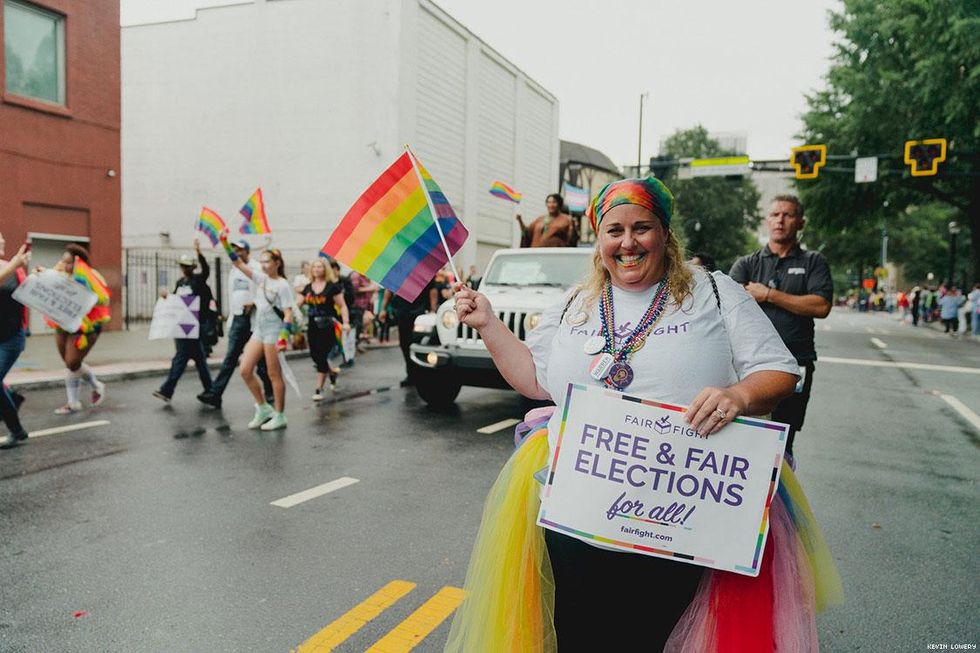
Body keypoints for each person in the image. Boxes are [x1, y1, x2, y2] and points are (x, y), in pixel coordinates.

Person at [445, 177, 841, 651]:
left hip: (684, 514)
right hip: (579, 510)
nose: (628, 243)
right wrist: (488, 324)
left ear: (665, 233)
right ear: (599, 238)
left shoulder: (714, 292)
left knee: (659, 635)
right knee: (577, 633)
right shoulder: (574, 302)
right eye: (614, 230)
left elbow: (779, 371)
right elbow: (535, 380)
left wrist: (738, 396)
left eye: (642, 228)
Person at [729, 194, 833, 458]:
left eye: (787, 215)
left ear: (800, 222)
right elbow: (728, 306)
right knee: (741, 434)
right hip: (748, 365)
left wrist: (768, 295)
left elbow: (821, 306)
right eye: (775, 214)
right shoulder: (747, 263)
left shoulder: (814, 262)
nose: (780, 220)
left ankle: (778, 485)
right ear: (767, 220)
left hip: (796, 363)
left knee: (783, 440)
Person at [218, 230, 294, 430]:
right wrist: (224, 242)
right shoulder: (261, 279)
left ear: (277, 263)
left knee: (273, 374)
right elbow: (238, 263)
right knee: (245, 370)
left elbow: (288, 313)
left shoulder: (282, 285)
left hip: (273, 331)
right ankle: (263, 407)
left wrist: (283, 337)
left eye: (267, 261)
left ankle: (280, 414)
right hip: (258, 329)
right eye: (261, 262)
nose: (263, 265)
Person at [197, 239, 273, 409]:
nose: (237, 253)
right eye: (234, 250)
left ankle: (269, 391)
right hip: (238, 319)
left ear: (247, 251)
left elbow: (267, 290)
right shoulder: (233, 270)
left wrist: (254, 303)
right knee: (230, 358)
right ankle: (215, 394)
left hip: (254, 320)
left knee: (260, 362)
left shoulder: (256, 267)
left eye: (240, 250)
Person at [42, 244, 111, 415]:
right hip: (62, 325)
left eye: (69, 262)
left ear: (78, 262)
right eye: (63, 261)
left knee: (72, 363)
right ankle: (95, 386)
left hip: (86, 328)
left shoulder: (91, 275)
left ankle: (74, 402)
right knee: (71, 364)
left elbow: (103, 298)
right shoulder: (59, 274)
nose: (66, 266)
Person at [153, 241, 214, 403]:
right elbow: (175, 301)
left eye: (187, 266)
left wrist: (199, 253)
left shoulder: (198, 281)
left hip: (193, 326)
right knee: (199, 360)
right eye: (183, 266)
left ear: (193, 267)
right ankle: (211, 389)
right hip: (181, 327)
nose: (185, 269)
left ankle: (167, 390)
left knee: (180, 359)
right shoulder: (180, 283)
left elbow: (206, 271)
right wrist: (167, 297)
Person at [300, 258, 350, 400]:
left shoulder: (332, 287)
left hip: (327, 325)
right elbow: (297, 303)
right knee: (315, 355)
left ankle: (319, 389)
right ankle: (332, 372)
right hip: (312, 325)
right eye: (314, 267)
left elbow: (342, 306)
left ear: (325, 269)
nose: (317, 269)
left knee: (321, 355)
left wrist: (346, 323)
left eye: (320, 267)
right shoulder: (308, 287)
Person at [0, 236, 31, 449]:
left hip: (11, 338)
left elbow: (29, 292)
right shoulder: (12, 266)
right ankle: (11, 396)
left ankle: (17, 431)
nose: (3, 241)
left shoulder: (13, 268)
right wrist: (14, 264)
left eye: (3, 238)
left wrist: (39, 277)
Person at [379, 281, 437, 387]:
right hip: (403, 312)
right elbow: (389, 290)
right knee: (405, 344)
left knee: (420, 344)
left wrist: (433, 310)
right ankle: (411, 374)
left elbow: (432, 290)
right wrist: (383, 309)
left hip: (420, 312)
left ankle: (420, 373)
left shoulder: (424, 271)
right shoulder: (398, 273)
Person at [349, 269, 378, 349]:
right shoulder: (356, 275)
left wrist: (373, 292)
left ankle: (356, 344)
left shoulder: (365, 276)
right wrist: (370, 288)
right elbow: (354, 289)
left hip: (364, 306)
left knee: (363, 324)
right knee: (357, 325)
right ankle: (353, 346)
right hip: (357, 305)